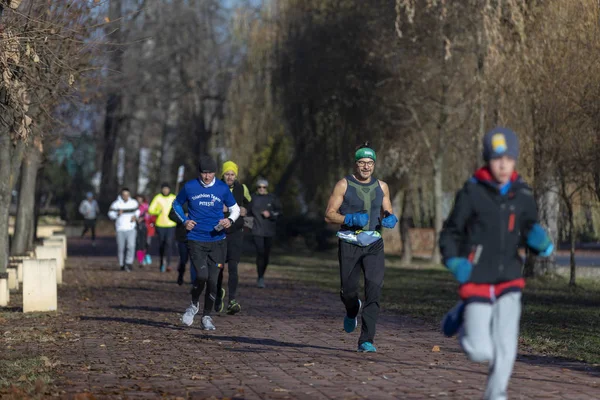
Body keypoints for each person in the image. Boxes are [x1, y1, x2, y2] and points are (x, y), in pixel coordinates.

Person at [439, 128, 553, 400]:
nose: (503, 164)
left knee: (506, 346)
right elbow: (451, 232)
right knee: (480, 351)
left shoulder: (523, 195)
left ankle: (496, 395)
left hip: (510, 279)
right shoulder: (472, 192)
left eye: (509, 158)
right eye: (497, 158)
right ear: (487, 159)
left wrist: (540, 242)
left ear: (515, 160)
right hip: (477, 277)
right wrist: (454, 260)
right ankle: (463, 314)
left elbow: (527, 229)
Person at [324, 142, 398, 353]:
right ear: (356, 164)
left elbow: (388, 210)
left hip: (374, 244)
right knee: (348, 291)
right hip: (349, 242)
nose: (366, 167)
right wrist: (349, 218)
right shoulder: (343, 185)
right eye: (362, 163)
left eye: (370, 163)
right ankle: (351, 309)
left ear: (374, 164)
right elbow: (329, 214)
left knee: (374, 290)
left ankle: (366, 340)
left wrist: (390, 218)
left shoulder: (382, 186)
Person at [172, 155, 241, 330]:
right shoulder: (189, 187)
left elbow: (235, 209)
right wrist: (184, 221)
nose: (207, 176)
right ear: (199, 172)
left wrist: (230, 221)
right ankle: (194, 304)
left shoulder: (222, 188)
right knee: (201, 276)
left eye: (210, 173)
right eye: (204, 173)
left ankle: (207, 316)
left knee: (213, 281)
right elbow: (176, 205)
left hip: (218, 241)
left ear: (215, 173)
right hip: (196, 239)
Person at [215, 161, 252, 315]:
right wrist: (219, 208)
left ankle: (232, 300)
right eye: (227, 174)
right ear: (222, 175)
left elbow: (251, 204)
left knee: (233, 267)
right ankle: (217, 295)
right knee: (218, 268)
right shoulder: (216, 187)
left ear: (236, 175)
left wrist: (245, 209)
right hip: (219, 232)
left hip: (236, 232)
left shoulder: (242, 188)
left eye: (232, 174)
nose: (230, 177)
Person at [249, 178, 282, 288]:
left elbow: (280, 212)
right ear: (257, 188)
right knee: (260, 253)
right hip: (257, 230)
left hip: (269, 231)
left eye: (264, 187)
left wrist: (271, 214)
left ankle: (262, 275)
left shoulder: (272, 198)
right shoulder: (252, 198)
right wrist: (248, 227)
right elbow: (247, 213)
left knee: (266, 255)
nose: (262, 189)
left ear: (267, 188)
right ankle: (260, 277)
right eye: (259, 187)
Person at [108, 188, 140, 272]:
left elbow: (137, 211)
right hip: (120, 228)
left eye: (127, 195)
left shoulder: (133, 203)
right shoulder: (116, 204)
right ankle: (121, 264)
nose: (125, 196)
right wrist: (117, 214)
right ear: (121, 195)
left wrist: (135, 217)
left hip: (131, 228)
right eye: (124, 195)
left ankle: (129, 263)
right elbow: (110, 214)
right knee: (121, 248)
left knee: (131, 246)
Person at [149, 183, 177, 272]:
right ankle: (162, 262)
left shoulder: (173, 197)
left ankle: (168, 264)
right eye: (164, 189)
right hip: (160, 224)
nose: (165, 190)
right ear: (161, 190)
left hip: (171, 224)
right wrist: (157, 211)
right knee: (162, 244)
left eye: (167, 189)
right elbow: (150, 209)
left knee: (169, 244)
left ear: (169, 190)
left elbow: (180, 207)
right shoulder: (158, 198)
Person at [169, 205, 197, 286]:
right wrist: (184, 219)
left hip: (196, 236)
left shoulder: (200, 200)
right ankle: (180, 275)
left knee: (194, 260)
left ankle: (194, 281)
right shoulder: (180, 202)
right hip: (182, 236)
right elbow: (171, 215)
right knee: (183, 259)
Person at [135, 195, 149, 268]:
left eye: (140, 199)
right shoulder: (134, 206)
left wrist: (143, 218)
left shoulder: (146, 206)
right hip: (135, 226)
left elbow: (149, 215)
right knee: (138, 243)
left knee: (143, 243)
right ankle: (140, 260)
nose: (139, 200)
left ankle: (144, 258)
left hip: (144, 226)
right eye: (138, 199)